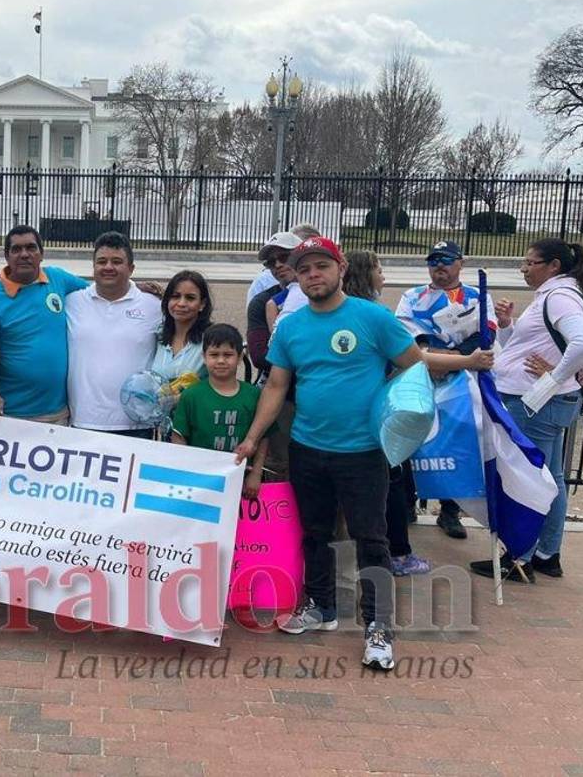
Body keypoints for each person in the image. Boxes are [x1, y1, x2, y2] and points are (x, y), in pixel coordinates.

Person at [234, 237, 423, 671]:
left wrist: (392, 414)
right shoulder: (292, 328)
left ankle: (378, 626)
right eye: (304, 269)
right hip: (308, 448)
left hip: (363, 451)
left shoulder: (372, 317)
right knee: (315, 533)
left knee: (370, 539)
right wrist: (252, 438)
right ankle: (321, 605)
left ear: (341, 269)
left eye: (321, 265)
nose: (313, 275)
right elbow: (277, 386)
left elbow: (413, 364)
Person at [470, 239, 583, 583]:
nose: (524, 269)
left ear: (553, 265)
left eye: (530, 263)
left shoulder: (559, 297)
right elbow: (525, 348)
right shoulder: (556, 294)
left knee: (528, 478)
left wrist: (553, 378)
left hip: (536, 404)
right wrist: (507, 324)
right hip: (543, 402)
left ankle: (520, 558)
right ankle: (546, 554)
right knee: (550, 477)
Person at [395, 241, 497, 541]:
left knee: (459, 440)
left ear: (460, 263)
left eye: (447, 260)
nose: (439, 266)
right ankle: (409, 502)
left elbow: (487, 332)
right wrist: (432, 356)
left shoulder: (477, 296)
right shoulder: (412, 296)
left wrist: (454, 359)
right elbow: (406, 333)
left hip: (464, 381)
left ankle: (450, 509)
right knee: (414, 438)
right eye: (433, 261)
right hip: (423, 374)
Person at [343, 251, 432, 577]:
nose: (384, 276)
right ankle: (397, 552)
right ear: (366, 274)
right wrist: (468, 361)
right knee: (391, 482)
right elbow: (414, 360)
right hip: (375, 416)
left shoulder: (344, 313)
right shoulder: (377, 315)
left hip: (352, 416)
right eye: (379, 269)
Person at [0, 225, 88, 423]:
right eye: (16, 249)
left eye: (31, 248)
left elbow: (100, 293)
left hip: (57, 413)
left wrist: (134, 288)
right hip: (9, 413)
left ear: (42, 254)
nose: (24, 254)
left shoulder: (58, 278)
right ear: (6, 256)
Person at [66, 231, 163, 437]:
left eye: (117, 262)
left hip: (137, 425)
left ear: (131, 268)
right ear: (93, 266)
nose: (108, 267)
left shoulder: (154, 306)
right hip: (82, 421)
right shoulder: (72, 302)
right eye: (102, 261)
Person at [170, 323, 269, 500]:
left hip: (242, 479)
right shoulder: (191, 395)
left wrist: (256, 474)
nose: (221, 361)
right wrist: (185, 473)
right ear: (204, 357)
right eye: (214, 355)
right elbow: (179, 438)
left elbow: (263, 437)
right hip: (200, 481)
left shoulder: (254, 395)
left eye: (228, 355)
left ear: (240, 357)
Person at [246, 232, 300, 379]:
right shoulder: (261, 302)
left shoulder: (320, 295)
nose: (277, 265)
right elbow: (260, 357)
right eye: (270, 262)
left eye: (284, 257)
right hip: (276, 383)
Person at [150, 270, 211, 392]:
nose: (181, 303)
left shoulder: (211, 341)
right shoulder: (157, 335)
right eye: (175, 296)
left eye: (190, 298)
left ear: (202, 304)